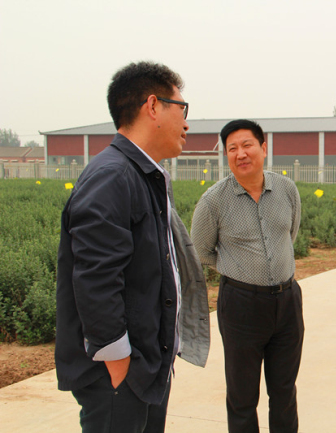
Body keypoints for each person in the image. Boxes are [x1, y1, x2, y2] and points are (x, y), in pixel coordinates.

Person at [55, 61, 210, 433]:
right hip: (119, 376)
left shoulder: (142, 175)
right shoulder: (113, 176)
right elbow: (95, 280)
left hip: (143, 368)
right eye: (182, 108)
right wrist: (119, 362)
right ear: (153, 106)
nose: (186, 123)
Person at [191, 119, 304, 433]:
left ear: (263, 148)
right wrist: (237, 268)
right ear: (226, 155)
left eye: (247, 145)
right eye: (232, 148)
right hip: (241, 306)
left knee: (284, 391)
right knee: (242, 396)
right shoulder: (214, 201)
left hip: (287, 302)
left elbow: (290, 235)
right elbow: (201, 251)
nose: (240, 154)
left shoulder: (286, 190)